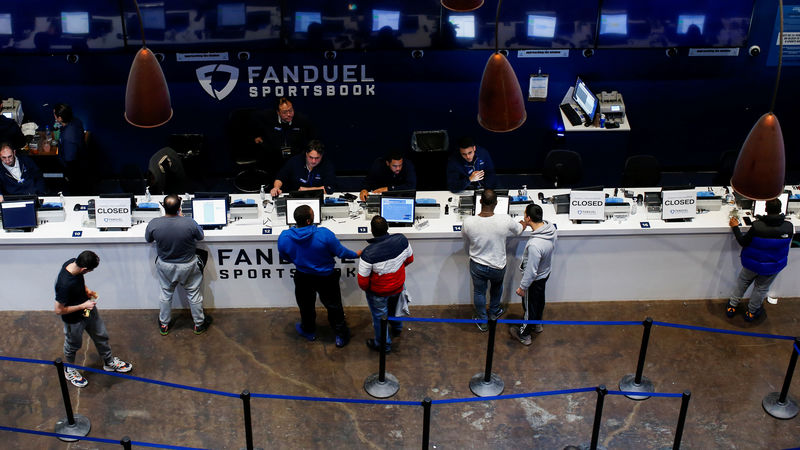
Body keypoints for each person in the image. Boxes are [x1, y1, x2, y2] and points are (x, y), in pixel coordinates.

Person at [278, 204, 360, 347]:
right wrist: (356, 254)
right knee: (333, 306)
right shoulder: (324, 234)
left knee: (305, 305)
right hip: (326, 277)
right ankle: (341, 335)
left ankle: (308, 330)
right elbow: (341, 253)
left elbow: (285, 256)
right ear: (309, 220)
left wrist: (300, 262)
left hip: (302, 276)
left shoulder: (284, 237)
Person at [54, 250, 132, 388]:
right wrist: (82, 305)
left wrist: (86, 290)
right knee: (73, 345)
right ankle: (69, 369)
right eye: (89, 270)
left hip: (87, 311)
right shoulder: (64, 284)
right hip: (74, 320)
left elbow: (79, 281)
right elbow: (58, 310)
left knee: (101, 335)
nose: (89, 272)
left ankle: (109, 362)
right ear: (84, 268)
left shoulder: (74, 263)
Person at [145, 194, 212, 335]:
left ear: (163, 207)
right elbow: (200, 236)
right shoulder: (189, 222)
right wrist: (182, 218)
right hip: (188, 265)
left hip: (165, 265)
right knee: (194, 295)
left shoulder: (154, 223)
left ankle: (164, 324)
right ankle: (199, 324)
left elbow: (148, 239)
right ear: (179, 208)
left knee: (165, 294)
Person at [461, 189, 525, 331]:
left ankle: (483, 321)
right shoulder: (505, 220)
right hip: (498, 266)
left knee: (479, 292)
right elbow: (519, 229)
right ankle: (494, 313)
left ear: (480, 201)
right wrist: (523, 222)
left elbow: (465, 237)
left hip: (478, 265)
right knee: (496, 290)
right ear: (496, 203)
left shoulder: (468, 222)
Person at [727, 198, 793, 322]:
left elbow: (743, 242)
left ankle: (732, 306)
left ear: (766, 209)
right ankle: (751, 312)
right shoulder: (789, 227)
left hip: (753, 264)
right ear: (781, 209)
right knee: (761, 288)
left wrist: (735, 227)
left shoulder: (758, 226)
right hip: (772, 266)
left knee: (743, 283)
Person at [357, 215, 414, 352]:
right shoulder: (402, 240)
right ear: (387, 227)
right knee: (395, 310)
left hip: (378, 293)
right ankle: (397, 329)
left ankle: (384, 345)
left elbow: (362, 282)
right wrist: (395, 273)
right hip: (398, 287)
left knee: (379, 319)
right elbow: (409, 259)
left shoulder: (368, 253)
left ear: (372, 230)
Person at [509, 203, 557, 346]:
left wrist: (523, 287)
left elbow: (531, 271)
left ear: (528, 218)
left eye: (524, 215)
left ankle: (524, 334)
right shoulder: (551, 229)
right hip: (545, 274)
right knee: (539, 301)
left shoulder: (535, 245)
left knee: (529, 307)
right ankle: (537, 325)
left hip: (534, 280)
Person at [251, 97, 316, 171]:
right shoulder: (267, 118)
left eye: (291, 111)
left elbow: (312, 139)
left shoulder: (302, 120)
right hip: (273, 157)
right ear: (278, 112)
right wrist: (256, 136)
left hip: (295, 157)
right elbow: (252, 122)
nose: (289, 114)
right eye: (284, 112)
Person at [270, 139, 336, 197]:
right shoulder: (295, 161)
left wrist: (306, 190)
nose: (313, 161)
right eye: (311, 157)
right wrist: (276, 188)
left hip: (317, 198)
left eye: (317, 158)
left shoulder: (327, 165)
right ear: (306, 154)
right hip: (294, 198)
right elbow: (280, 177)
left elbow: (329, 188)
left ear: (322, 156)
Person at [53, 103, 89, 194]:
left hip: (74, 169)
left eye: (55, 115)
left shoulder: (68, 138)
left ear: (60, 118)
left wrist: (68, 175)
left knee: (74, 189)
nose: (54, 116)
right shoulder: (76, 121)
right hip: (82, 159)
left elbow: (69, 159)